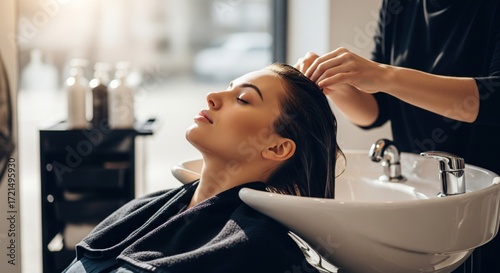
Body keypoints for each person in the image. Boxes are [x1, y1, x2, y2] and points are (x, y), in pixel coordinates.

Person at [61, 63, 342, 273]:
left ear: (277, 148)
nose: (212, 96)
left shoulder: (259, 249)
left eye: (243, 99)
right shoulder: (144, 208)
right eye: (229, 87)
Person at [295, 0, 500, 272]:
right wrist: (335, 82)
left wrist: (384, 75)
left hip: (486, 197)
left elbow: (493, 98)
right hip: (423, 190)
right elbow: (374, 111)